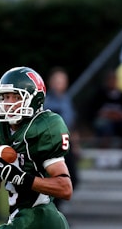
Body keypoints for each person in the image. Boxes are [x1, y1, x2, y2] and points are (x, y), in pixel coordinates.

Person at [0, 66, 72, 228]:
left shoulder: (44, 127)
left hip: (41, 217)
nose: (8, 103)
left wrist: (21, 178)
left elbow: (65, 189)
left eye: (16, 97)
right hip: (20, 217)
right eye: (5, 97)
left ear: (34, 99)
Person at [44, 66, 80, 209]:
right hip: (53, 146)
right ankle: (53, 212)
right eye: (57, 81)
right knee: (56, 179)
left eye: (62, 81)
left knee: (73, 179)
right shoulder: (46, 102)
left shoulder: (66, 100)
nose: (60, 84)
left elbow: (71, 123)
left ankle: (56, 210)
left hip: (67, 144)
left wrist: (76, 145)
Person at [93, 69, 122, 149]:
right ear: (106, 81)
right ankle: (104, 153)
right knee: (105, 127)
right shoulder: (99, 95)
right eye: (110, 79)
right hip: (105, 121)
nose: (112, 81)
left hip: (121, 121)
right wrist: (109, 115)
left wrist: (120, 115)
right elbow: (94, 111)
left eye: (114, 79)